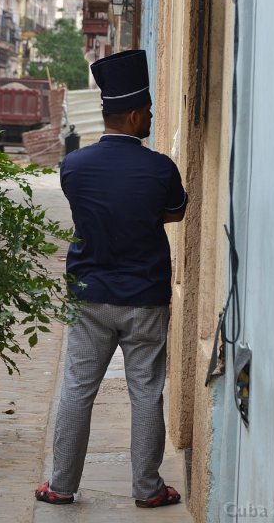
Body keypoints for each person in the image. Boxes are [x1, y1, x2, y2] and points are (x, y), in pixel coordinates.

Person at [35, 50, 188, 509]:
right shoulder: (161, 168)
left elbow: (88, 207)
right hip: (145, 298)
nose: (152, 119)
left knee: (78, 389)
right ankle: (148, 489)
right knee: (146, 393)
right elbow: (174, 213)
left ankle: (61, 486)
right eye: (149, 112)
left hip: (90, 296)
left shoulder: (74, 166)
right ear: (136, 115)